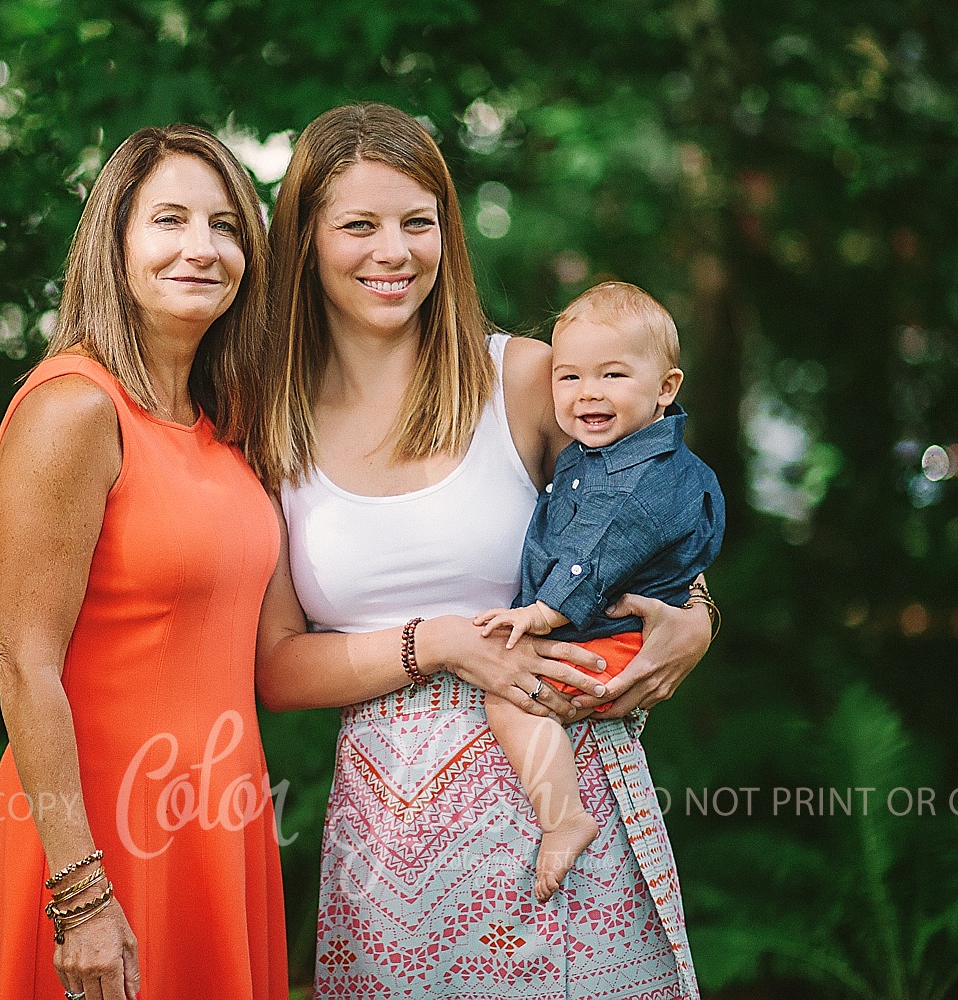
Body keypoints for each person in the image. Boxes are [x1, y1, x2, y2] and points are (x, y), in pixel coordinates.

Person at [250, 103, 713, 999]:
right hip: (394, 838)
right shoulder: (268, 421)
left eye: (417, 223)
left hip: (565, 797)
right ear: (303, 240)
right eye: (359, 225)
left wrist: (696, 620)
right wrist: (443, 642)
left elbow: (652, 521)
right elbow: (276, 668)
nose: (394, 251)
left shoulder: (528, 376)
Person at [0, 125, 288, 1000]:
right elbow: (25, 666)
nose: (200, 249)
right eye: (168, 220)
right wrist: (80, 893)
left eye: (225, 225)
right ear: (117, 243)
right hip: (93, 842)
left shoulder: (230, 425)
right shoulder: (73, 410)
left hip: (215, 833)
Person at [474, 280, 725, 904]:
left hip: (603, 640)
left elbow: (596, 555)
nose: (588, 393)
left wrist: (543, 610)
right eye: (569, 377)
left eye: (613, 375)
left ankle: (564, 818)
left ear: (666, 388)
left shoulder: (635, 479)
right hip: (610, 634)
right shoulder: (610, 455)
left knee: (514, 702)